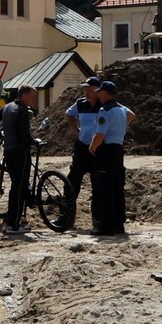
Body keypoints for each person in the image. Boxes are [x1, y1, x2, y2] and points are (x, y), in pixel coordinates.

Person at [58, 76, 104, 230]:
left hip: (98, 149)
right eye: (85, 89)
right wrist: (76, 130)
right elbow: (69, 115)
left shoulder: (104, 105)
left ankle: (98, 220)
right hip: (82, 148)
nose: (86, 92)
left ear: (97, 90)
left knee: (98, 187)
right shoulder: (80, 104)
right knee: (71, 183)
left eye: (89, 89)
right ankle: (66, 218)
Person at [89, 79, 133, 237]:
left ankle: (106, 226)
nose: (98, 94)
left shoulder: (105, 110)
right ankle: (118, 223)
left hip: (106, 151)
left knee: (105, 188)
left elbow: (100, 135)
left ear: (105, 93)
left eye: (100, 92)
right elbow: (131, 116)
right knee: (117, 188)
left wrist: (92, 147)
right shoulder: (121, 110)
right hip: (117, 150)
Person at [0, 85, 38, 234]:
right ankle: (12, 225)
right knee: (19, 189)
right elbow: (25, 136)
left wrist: (2, 137)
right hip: (21, 152)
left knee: (18, 186)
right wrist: (35, 142)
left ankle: (13, 218)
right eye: (32, 96)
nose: (34, 99)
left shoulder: (8, 107)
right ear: (24, 95)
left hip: (9, 151)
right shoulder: (22, 111)